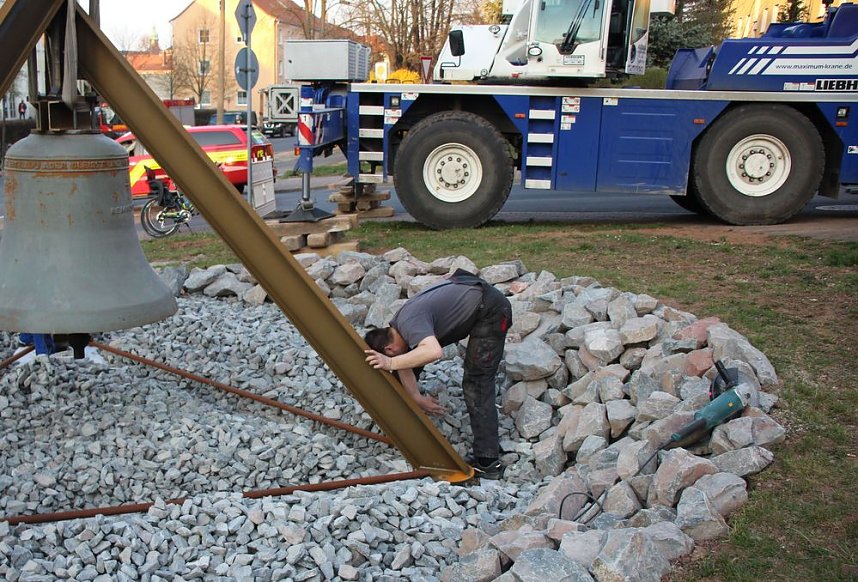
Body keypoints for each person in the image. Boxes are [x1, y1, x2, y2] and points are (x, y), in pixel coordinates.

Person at [364, 269, 512, 479]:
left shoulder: (410, 325)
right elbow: (402, 363)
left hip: (492, 310)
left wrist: (389, 363)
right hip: (474, 296)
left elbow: (433, 351)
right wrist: (416, 397)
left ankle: (488, 463)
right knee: (409, 360)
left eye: (390, 356)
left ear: (388, 349)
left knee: (477, 381)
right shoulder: (399, 328)